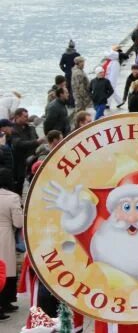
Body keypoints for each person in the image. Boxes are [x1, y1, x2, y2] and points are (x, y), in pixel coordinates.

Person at [0, 168, 22, 317]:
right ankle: (5, 301)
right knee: (6, 269)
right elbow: (19, 222)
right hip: (5, 234)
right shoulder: (13, 197)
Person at [9, 109, 45, 195]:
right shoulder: (12, 130)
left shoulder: (31, 127)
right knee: (19, 184)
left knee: (35, 181)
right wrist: (36, 142)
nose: (27, 118)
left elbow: (35, 138)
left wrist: (36, 144)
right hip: (19, 161)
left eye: (27, 116)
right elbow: (18, 144)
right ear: (17, 117)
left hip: (32, 159)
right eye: (25, 117)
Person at [59, 40, 80, 107]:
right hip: (75, 73)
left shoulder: (64, 55)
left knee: (67, 88)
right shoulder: (77, 55)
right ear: (74, 46)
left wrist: (65, 70)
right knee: (74, 88)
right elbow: (79, 64)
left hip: (67, 73)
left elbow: (61, 64)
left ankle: (68, 103)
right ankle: (73, 103)